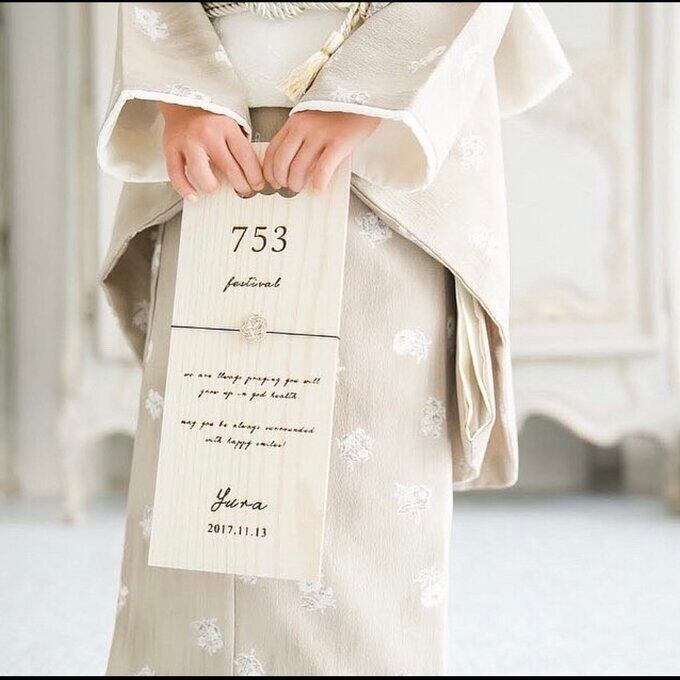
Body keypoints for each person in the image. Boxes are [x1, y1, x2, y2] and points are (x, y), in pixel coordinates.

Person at [97, 2, 570, 675]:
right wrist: (181, 93)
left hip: (381, 131)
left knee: (362, 450)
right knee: (201, 459)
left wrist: (366, 92)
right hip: (215, 124)